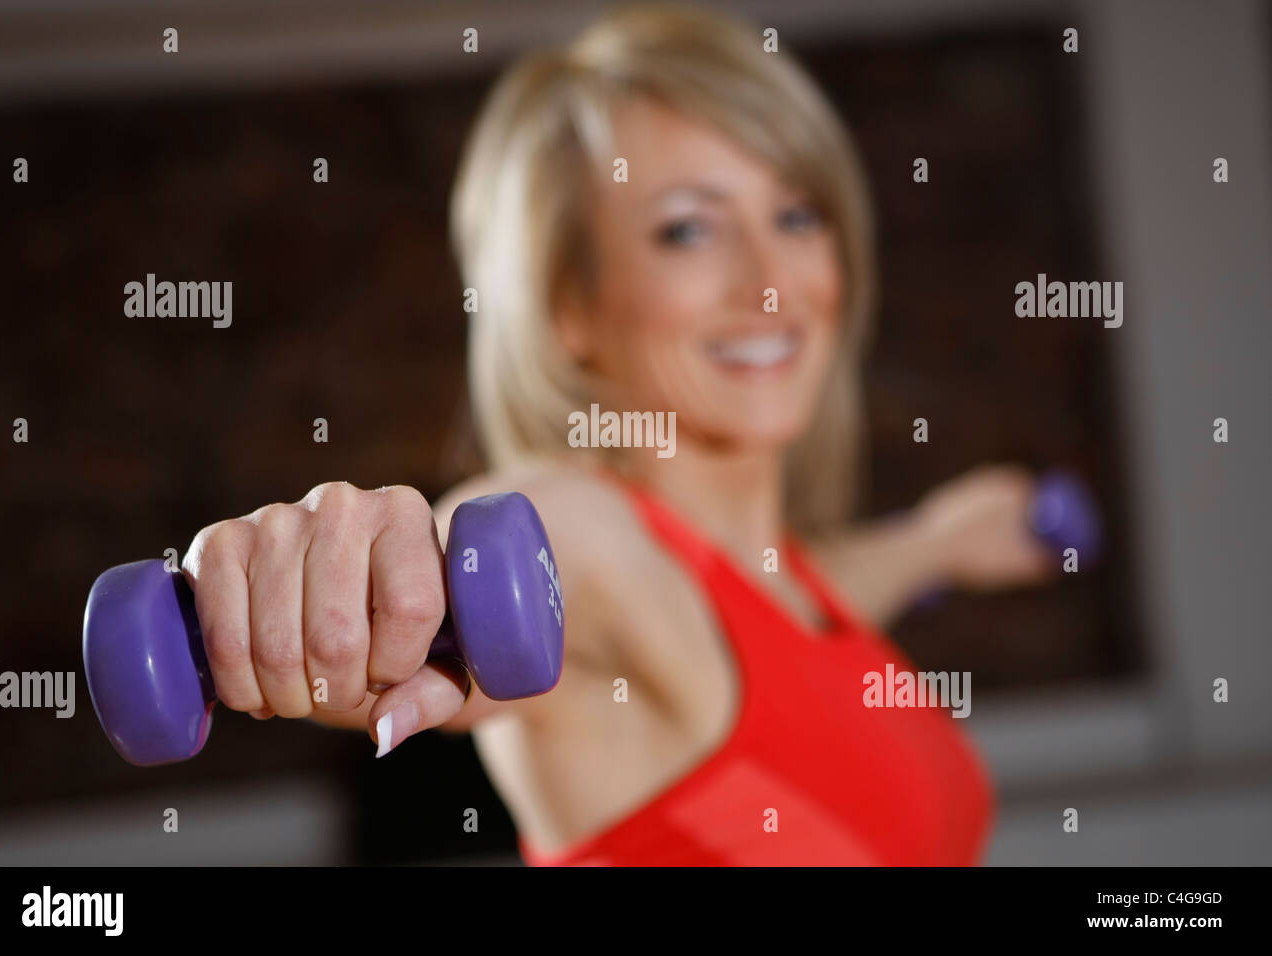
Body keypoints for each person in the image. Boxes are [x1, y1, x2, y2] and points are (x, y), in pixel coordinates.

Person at [183, 2, 1055, 865]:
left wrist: (941, 540)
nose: (770, 282)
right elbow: (501, 552)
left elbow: (803, 599)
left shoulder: (783, 585)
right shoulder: (588, 544)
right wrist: (354, 580)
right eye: (688, 230)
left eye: (795, 215)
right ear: (569, 305)